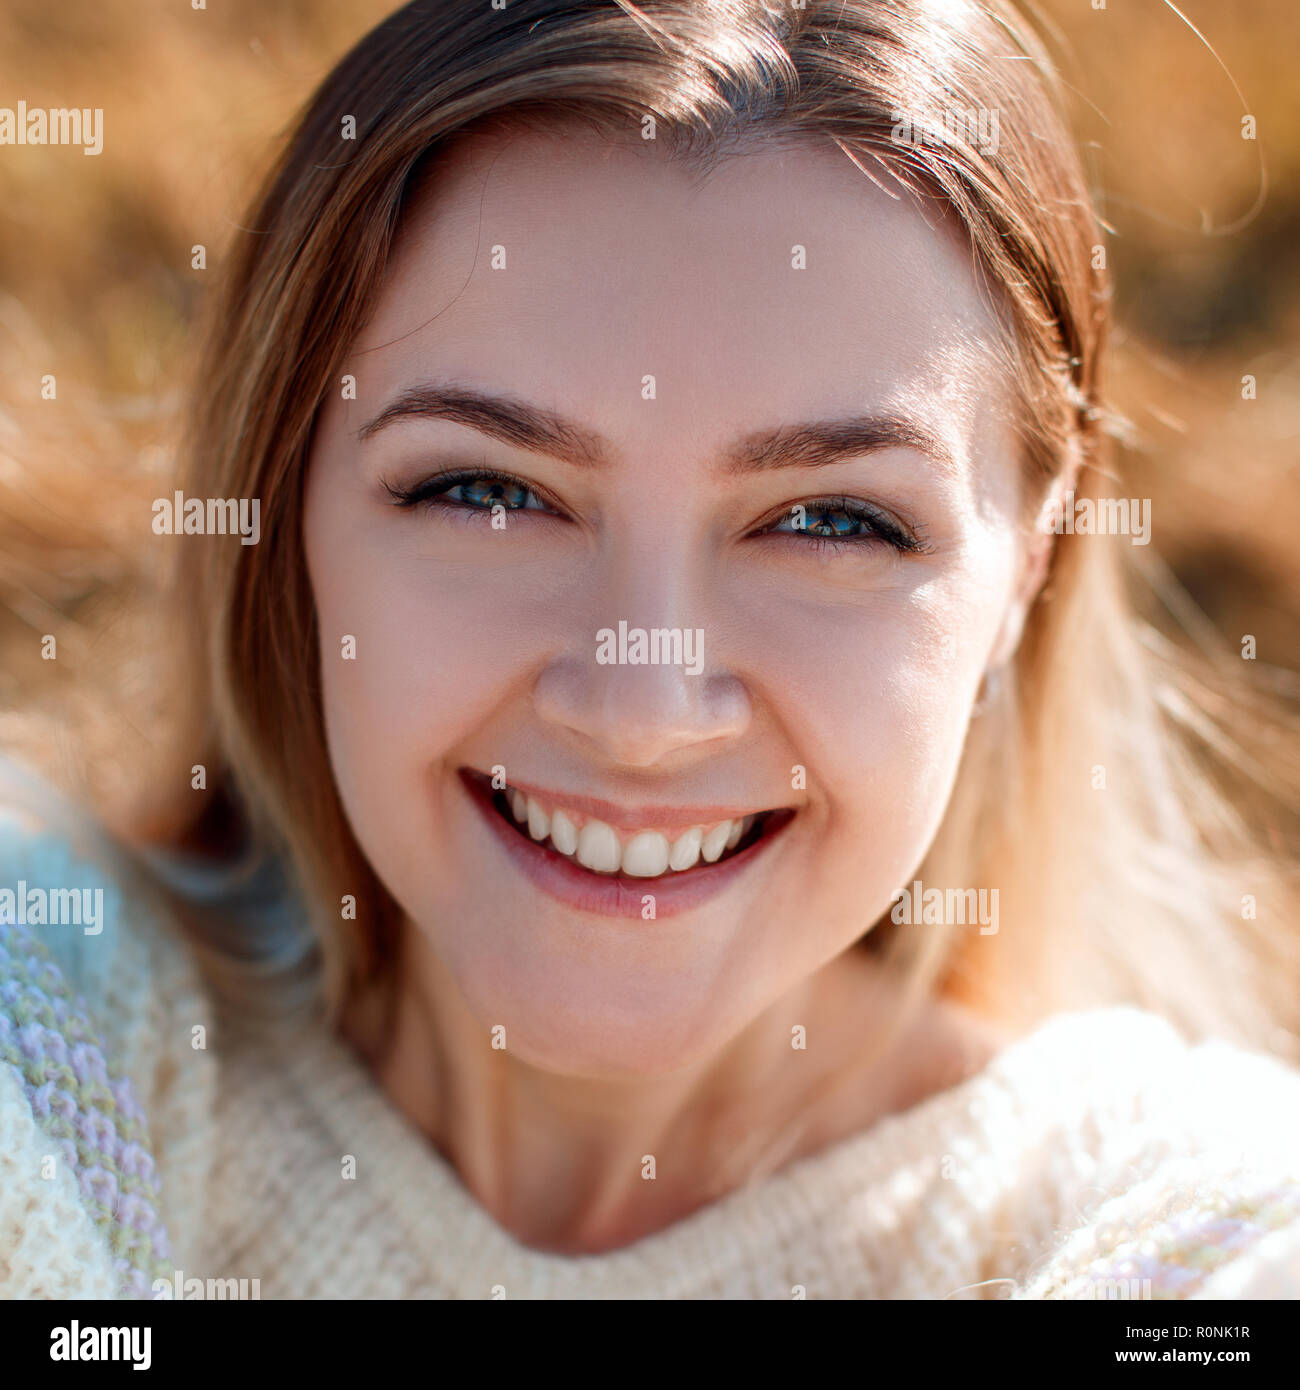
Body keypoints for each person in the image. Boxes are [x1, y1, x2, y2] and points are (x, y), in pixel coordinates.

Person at [3, 0, 1300, 1300]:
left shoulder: (1191, 1227)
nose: (640, 710)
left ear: (1029, 564)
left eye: (832, 520)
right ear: (284, 519)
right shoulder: (50, 1030)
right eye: (489, 490)